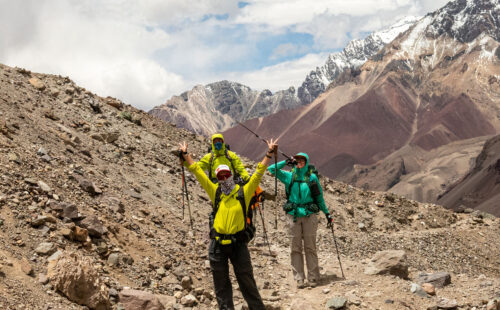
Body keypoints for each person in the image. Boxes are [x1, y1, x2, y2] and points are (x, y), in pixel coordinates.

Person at [178, 138, 278, 310]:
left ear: (231, 175)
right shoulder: (215, 191)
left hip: (238, 244)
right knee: (221, 287)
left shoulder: (244, 193)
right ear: (217, 177)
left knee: (247, 282)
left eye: (226, 174)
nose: (223, 178)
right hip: (217, 245)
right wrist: (186, 155)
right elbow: (198, 172)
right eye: (220, 175)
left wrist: (269, 153)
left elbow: (258, 173)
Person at [268, 152, 332, 288]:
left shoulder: (312, 177)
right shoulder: (289, 176)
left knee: (310, 247)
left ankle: (313, 277)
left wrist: (327, 214)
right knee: (295, 248)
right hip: (293, 216)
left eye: (302, 161)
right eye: (297, 160)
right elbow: (271, 169)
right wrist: (285, 162)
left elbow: (319, 198)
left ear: (306, 162)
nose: (299, 163)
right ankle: (299, 278)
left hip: (309, 215)